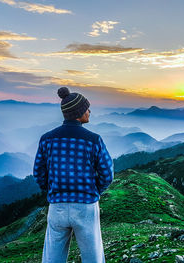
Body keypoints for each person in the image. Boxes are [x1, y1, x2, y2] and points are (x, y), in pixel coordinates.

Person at [33, 87, 114, 263]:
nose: (89, 111)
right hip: (86, 206)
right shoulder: (93, 140)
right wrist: (94, 191)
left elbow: (38, 172)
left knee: (52, 257)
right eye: (87, 108)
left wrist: (52, 189)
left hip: (57, 206)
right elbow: (107, 174)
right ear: (78, 112)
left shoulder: (47, 139)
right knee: (93, 257)